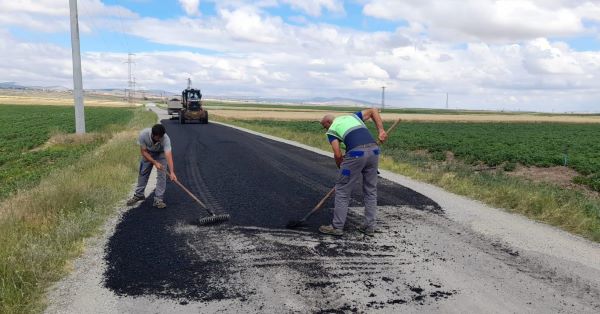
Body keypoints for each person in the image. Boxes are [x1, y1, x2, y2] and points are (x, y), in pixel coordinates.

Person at [319, 108, 387, 236]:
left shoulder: (332, 130)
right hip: (374, 151)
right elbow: (373, 110)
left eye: (324, 127)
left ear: (328, 122)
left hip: (356, 154)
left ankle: (337, 227)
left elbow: (338, 154)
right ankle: (369, 226)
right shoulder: (353, 117)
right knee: (370, 190)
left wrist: (342, 170)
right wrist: (381, 130)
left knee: (342, 190)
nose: (325, 130)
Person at [126, 124, 177, 208]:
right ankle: (139, 195)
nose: (160, 139)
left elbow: (168, 154)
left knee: (162, 176)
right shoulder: (143, 135)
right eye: (158, 137)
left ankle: (158, 199)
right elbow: (143, 152)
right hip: (148, 153)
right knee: (143, 172)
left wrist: (172, 172)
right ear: (153, 135)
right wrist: (154, 162)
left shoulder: (165, 138)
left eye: (161, 137)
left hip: (161, 154)